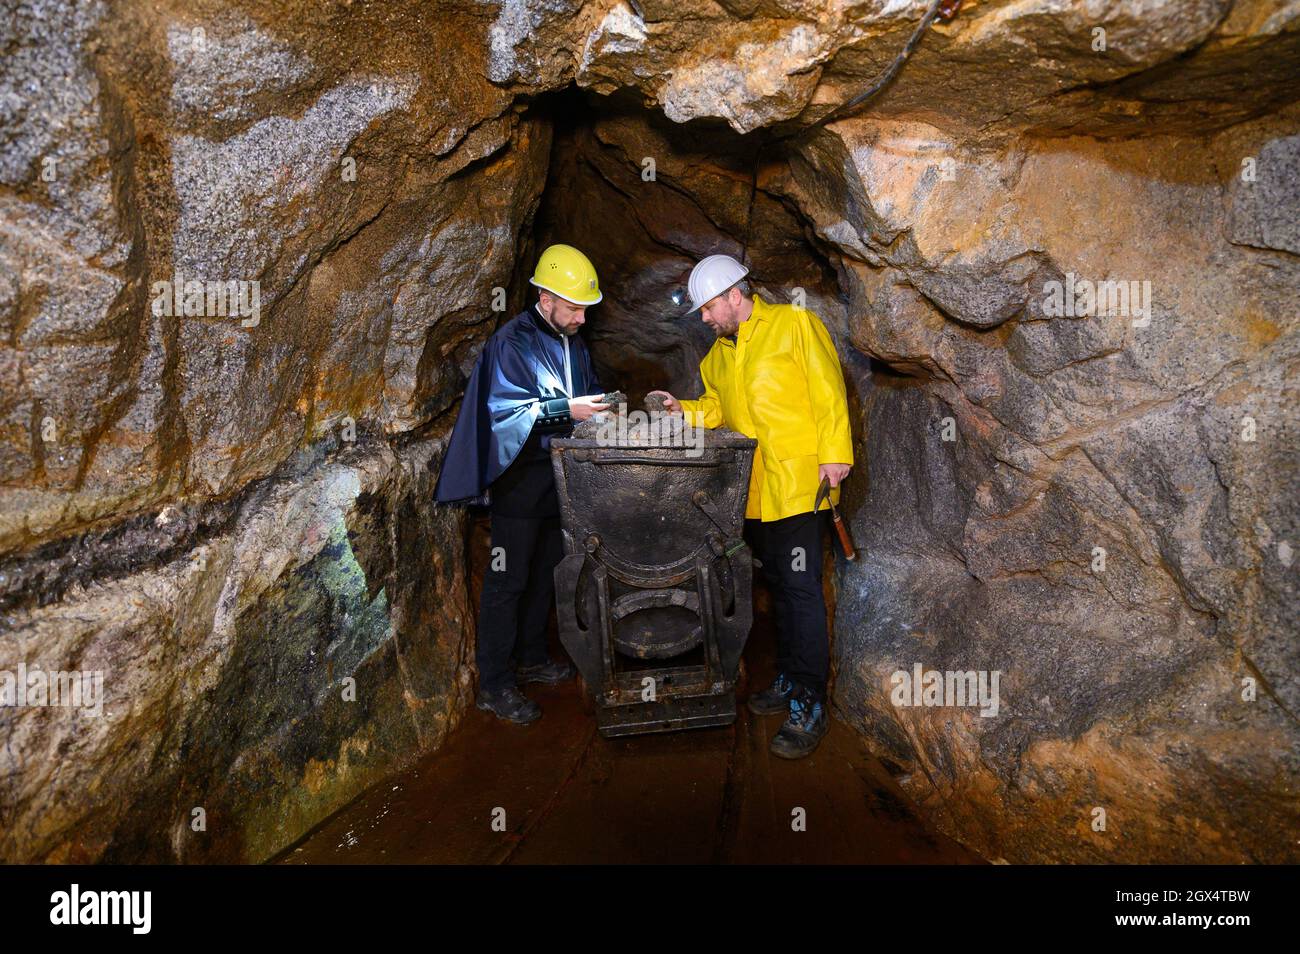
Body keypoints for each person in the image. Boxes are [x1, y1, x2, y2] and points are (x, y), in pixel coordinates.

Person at [649, 254, 853, 759]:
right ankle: (788, 676)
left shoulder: (794, 324)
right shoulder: (716, 357)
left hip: (803, 482)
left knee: (803, 592)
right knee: (781, 587)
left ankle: (810, 701)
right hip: (757, 492)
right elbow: (718, 409)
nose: (703, 318)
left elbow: (829, 390)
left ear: (733, 296)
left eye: (707, 308)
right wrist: (684, 410)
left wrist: (836, 456)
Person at [433, 244, 609, 724]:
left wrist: (598, 408)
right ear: (544, 296)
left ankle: (531, 657)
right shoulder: (512, 341)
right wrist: (567, 411)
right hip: (518, 483)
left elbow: (581, 393)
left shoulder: (572, 340)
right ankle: (494, 683)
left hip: (560, 480)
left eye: (585, 309)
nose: (581, 318)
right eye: (573, 307)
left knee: (547, 572)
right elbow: (507, 415)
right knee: (507, 580)